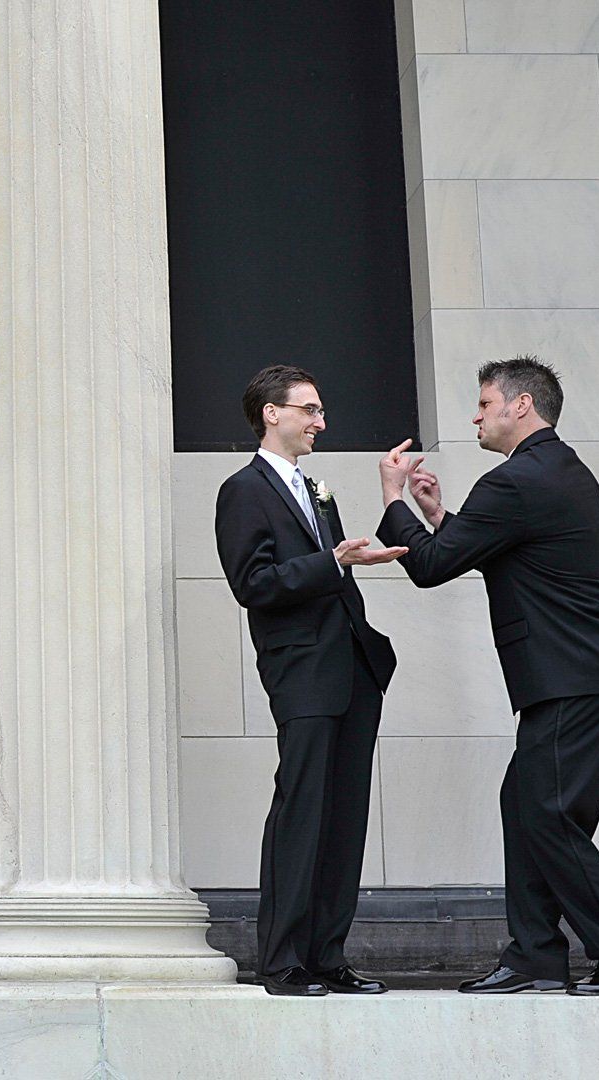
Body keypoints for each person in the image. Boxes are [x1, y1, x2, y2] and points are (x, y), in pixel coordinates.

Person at [378, 355, 599, 996]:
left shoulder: (514, 480)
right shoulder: (557, 469)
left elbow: (431, 568)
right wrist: (439, 517)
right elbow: (509, 553)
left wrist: (393, 498)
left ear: (521, 404)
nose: (475, 417)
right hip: (581, 670)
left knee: (550, 815)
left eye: (484, 403)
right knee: (528, 805)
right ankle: (534, 955)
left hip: (570, 674)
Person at [213, 366, 402, 996]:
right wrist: (331, 561)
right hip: (301, 671)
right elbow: (253, 584)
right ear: (272, 413)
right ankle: (284, 961)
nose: (321, 422)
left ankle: (328, 956)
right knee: (302, 809)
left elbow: (327, 571)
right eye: (310, 410)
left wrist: (351, 561)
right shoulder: (243, 489)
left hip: (352, 666)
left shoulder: (317, 490)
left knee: (345, 816)